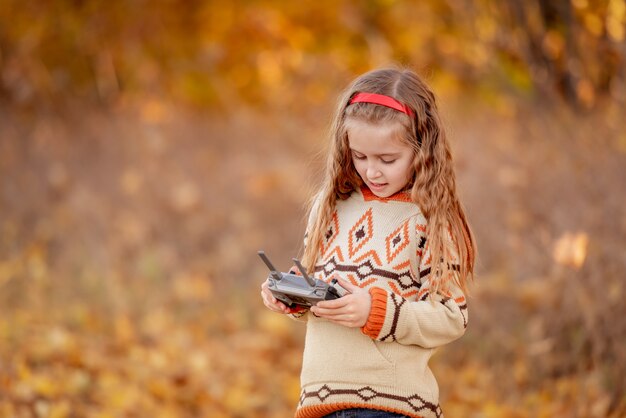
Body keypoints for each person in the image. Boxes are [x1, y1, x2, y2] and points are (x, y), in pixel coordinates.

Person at [260, 67, 476, 418]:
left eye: (387, 160)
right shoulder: (329, 206)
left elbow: (452, 317)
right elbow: (324, 297)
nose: (371, 171)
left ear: (421, 151)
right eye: (359, 156)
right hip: (320, 401)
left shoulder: (430, 219)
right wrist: (293, 296)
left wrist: (376, 311)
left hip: (390, 406)